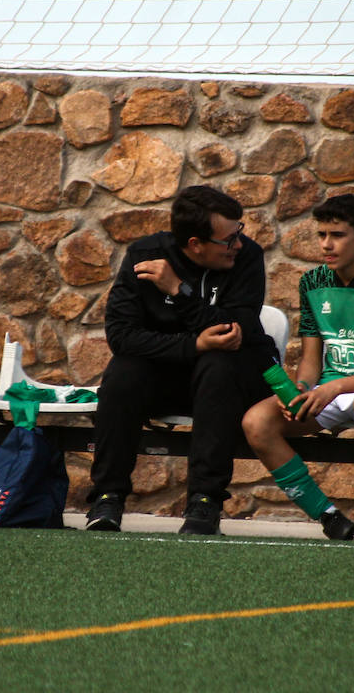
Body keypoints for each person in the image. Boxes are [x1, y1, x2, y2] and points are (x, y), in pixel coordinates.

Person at [85, 185, 279, 536]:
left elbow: (236, 329)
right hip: (166, 376)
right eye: (229, 239)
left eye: (239, 233)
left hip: (229, 380)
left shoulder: (246, 256)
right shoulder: (144, 255)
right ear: (195, 244)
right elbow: (122, 337)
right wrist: (194, 345)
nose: (238, 244)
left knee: (218, 364)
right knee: (122, 375)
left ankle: (205, 502)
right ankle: (107, 498)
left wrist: (180, 291)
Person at [240, 194, 354, 542]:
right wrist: (302, 388)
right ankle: (329, 518)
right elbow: (310, 357)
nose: (326, 244)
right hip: (329, 391)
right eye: (321, 235)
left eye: (336, 235)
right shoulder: (312, 282)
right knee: (256, 422)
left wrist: (334, 387)